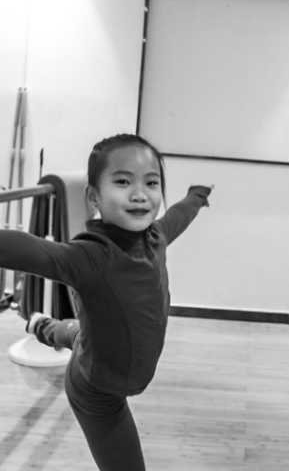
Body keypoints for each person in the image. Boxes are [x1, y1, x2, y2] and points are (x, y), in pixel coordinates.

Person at [0, 133, 212, 471]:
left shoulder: (155, 237)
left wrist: (196, 197)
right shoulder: (88, 257)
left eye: (152, 182)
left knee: (78, 334)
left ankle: (43, 325)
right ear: (94, 197)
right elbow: (31, 250)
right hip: (97, 391)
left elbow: (178, 215)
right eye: (123, 181)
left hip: (97, 343)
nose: (140, 194)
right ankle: (46, 327)